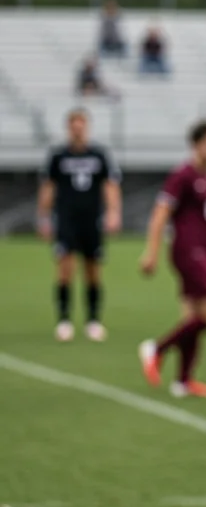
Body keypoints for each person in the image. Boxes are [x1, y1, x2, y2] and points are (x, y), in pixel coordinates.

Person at [137, 121, 206, 399]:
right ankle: (157, 349)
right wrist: (150, 252)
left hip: (202, 252)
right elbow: (161, 213)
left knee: (193, 316)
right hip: (187, 251)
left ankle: (183, 381)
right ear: (196, 144)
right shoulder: (183, 175)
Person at [37, 108, 122, 342]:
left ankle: (93, 320)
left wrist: (113, 212)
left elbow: (110, 185)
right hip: (66, 220)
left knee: (93, 270)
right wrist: (43, 217)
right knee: (65, 269)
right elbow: (48, 187)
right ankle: (64, 320)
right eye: (73, 125)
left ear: (86, 127)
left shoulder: (98, 154)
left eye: (81, 125)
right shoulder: (58, 156)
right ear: (68, 127)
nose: (77, 129)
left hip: (91, 219)